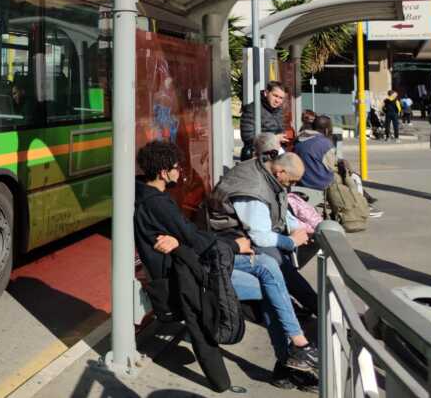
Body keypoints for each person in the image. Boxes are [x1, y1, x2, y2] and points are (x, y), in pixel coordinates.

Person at [134, 141, 319, 392]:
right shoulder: (157, 203)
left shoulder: (149, 196)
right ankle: (293, 352)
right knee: (268, 282)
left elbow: (187, 237)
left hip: (199, 261)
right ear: (164, 171)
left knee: (267, 267)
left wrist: (192, 241)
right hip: (192, 274)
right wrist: (235, 246)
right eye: (178, 167)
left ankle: (293, 353)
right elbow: (193, 239)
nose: (181, 172)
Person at [208, 152, 320, 315]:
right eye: (292, 180)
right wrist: (291, 242)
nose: (292, 185)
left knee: (285, 262)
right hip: (231, 237)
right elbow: (260, 237)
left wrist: (295, 227)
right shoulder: (253, 190)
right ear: (280, 171)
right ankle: (302, 310)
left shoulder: (266, 171)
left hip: (245, 232)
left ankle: (304, 305)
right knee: (279, 263)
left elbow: (279, 206)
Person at [240, 81, 288, 160]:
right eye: (275, 96)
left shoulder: (278, 110)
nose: (278, 100)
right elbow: (248, 137)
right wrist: (274, 139)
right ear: (266, 93)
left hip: (275, 153)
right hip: (258, 156)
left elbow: (280, 131)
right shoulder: (252, 109)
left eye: (281, 98)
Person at [293, 115, 336, 191]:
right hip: (321, 185)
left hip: (300, 183)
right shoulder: (326, 143)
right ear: (326, 130)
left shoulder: (299, 140)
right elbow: (331, 167)